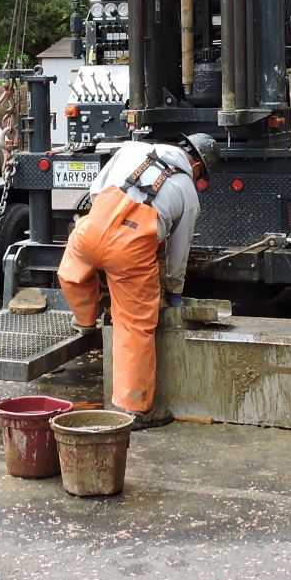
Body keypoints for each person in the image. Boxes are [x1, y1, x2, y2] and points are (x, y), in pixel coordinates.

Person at [57, 131, 218, 430]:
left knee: (73, 271)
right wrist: (174, 291)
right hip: (130, 255)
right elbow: (178, 253)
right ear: (197, 166)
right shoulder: (187, 190)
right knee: (134, 325)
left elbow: (96, 191)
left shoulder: (131, 149)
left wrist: (106, 231)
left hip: (91, 230)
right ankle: (133, 409)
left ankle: (84, 320)